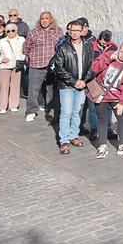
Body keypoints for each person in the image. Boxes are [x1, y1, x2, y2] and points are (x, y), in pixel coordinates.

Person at [49, 19, 95, 152]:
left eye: (77, 30)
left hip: (82, 85)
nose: (74, 33)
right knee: (66, 112)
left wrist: (85, 80)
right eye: (72, 30)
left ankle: (73, 135)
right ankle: (64, 140)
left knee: (77, 112)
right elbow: (59, 67)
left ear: (82, 31)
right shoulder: (63, 47)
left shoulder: (88, 47)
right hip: (67, 86)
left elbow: (92, 65)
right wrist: (73, 82)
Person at [90, 39, 123, 158]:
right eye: (121, 51)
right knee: (102, 119)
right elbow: (94, 68)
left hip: (117, 96)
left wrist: (122, 101)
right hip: (101, 93)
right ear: (118, 49)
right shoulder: (108, 55)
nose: (122, 55)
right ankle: (102, 145)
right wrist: (108, 59)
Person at [22, 11, 62, 122]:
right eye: (42, 18)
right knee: (33, 90)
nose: (44, 21)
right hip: (36, 65)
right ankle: (31, 111)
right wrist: (33, 57)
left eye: (47, 18)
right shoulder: (34, 32)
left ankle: (51, 111)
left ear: (51, 20)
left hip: (52, 67)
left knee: (51, 91)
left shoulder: (58, 31)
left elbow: (61, 46)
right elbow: (26, 48)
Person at [0, 22, 26, 114]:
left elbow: (26, 51)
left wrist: (22, 58)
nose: (11, 32)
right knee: (4, 86)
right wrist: (1, 59)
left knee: (15, 86)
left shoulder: (22, 39)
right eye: (8, 31)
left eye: (13, 30)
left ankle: (13, 105)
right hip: (5, 66)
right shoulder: (2, 41)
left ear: (16, 31)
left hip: (17, 65)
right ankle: (3, 106)